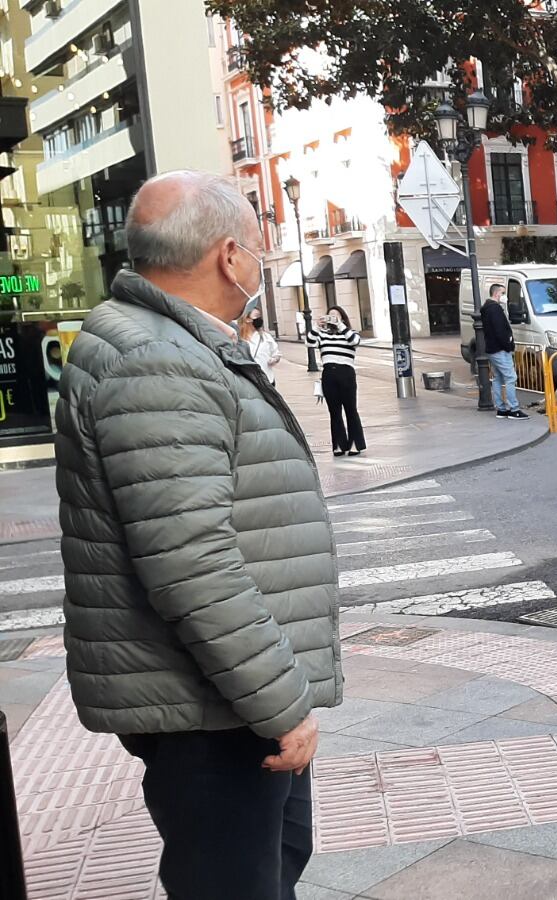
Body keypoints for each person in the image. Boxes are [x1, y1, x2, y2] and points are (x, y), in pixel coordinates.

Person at [53, 171, 340, 900]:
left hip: (212, 697)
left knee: (269, 865)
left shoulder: (156, 340)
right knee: (237, 880)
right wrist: (282, 704)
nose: (261, 258)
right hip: (214, 707)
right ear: (228, 257)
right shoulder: (161, 361)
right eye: (257, 243)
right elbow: (192, 566)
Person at [307, 306, 366, 456]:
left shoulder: (349, 333)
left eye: (336, 315)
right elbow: (310, 343)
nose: (332, 318)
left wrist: (340, 325)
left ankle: (355, 444)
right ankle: (339, 445)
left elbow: (355, 341)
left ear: (342, 317)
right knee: (334, 412)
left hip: (346, 372)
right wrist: (316, 326)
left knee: (351, 409)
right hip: (329, 374)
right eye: (330, 315)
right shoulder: (323, 335)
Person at [482, 284, 528, 419]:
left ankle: (501, 409)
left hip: (492, 348)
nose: (505, 297)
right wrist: (508, 346)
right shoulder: (495, 309)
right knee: (510, 377)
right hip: (500, 349)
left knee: (497, 378)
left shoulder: (487, 308)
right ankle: (514, 409)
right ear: (497, 294)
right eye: (503, 293)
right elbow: (500, 331)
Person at [242, 308, 281, 385]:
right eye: (256, 316)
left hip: (267, 379)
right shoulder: (240, 339)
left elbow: (276, 354)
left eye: (260, 316)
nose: (259, 319)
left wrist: (275, 359)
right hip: (249, 381)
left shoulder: (266, 337)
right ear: (247, 319)